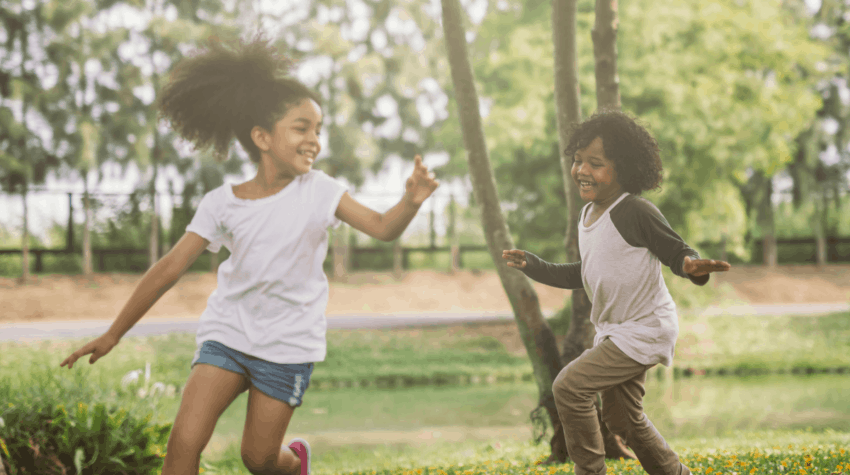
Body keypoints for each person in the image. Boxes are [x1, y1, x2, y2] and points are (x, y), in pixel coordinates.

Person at [60, 34, 439, 475]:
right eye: (301, 127)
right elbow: (169, 269)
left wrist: (411, 202)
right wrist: (114, 333)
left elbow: (382, 228)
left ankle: (294, 463)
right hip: (228, 336)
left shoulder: (321, 191)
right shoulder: (222, 203)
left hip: (288, 344)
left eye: (318, 129)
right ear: (262, 136)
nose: (314, 140)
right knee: (182, 446)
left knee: (258, 460)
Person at [502, 109, 730, 475]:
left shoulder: (635, 211)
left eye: (596, 163)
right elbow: (586, 273)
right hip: (616, 331)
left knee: (569, 387)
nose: (582, 170)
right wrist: (536, 266)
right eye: (578, 161)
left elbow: (677, 253)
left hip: (645, 327)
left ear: (623, 168)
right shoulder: (588, 215)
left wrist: (691, 266)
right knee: (624, 420)